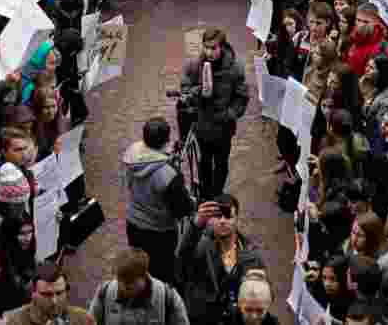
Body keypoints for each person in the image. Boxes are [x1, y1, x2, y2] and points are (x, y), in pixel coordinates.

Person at [122, 117, 195, 285]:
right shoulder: (168, 174)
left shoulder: (133, 158)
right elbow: (182, 209)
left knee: (140, 269)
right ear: (166, 139)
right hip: (159, 233)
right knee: (162, 275)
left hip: (133, 225)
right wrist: (191, 202)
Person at [180, 28, 249, 199]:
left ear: (222, 47)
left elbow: (242, 97)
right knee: (204, 161)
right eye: (206, 47)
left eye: (213, 48)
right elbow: (185, 91)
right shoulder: (194, 66)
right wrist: (197, 93)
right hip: (202, 126)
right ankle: (204, 194)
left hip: (223, 128)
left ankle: (217, 195)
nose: (209, 52)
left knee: (221, 163)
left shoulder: (235, 68)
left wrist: (230, 114)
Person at [177, 195, 264, 325]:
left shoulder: (251, 256)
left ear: (237, 220)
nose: (222, 221)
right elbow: (182, 257)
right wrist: (196, 224)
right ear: (211, 220)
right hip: (202, 317)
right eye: (218, 216)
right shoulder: (201, 246)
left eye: (228, 216)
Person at [89, 248, 189, 325]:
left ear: (143, 276)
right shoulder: (104, 292)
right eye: (120, 280)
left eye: (130, 284)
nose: (122, 287)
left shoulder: (169, 297)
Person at [6, 262, 93, 325]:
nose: (54, 301)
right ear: (33, 293)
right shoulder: (15, 322)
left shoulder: (84, 320)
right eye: (46, 295)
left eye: (59, 293)